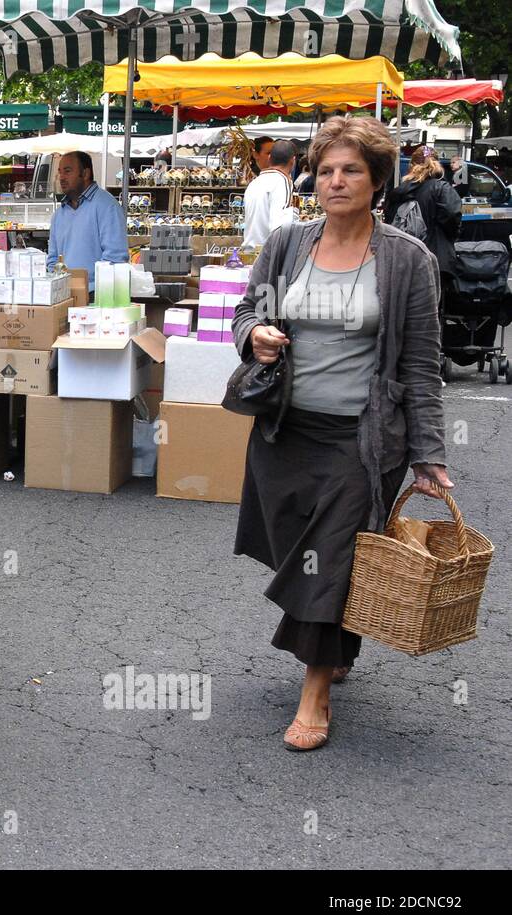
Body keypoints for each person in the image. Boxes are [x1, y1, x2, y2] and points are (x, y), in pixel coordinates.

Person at [231, 115, 451, 752]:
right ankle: (334, 631)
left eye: (351, 169)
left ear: (378, 179)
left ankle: (315, 688)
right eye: (325, 170)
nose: (335, 181)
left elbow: (421, 362)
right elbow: (247, 310)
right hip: (285, 432)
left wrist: (428, 455)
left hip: (363, 440)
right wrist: (256, 335)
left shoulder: (408, 261)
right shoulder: (287, 245)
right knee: (302, 551)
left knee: (329, 557)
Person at [46, 150, 128, 279]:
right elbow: (53, 260)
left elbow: (115, 258)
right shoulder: (59, 214)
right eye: (60, 172)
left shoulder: (106, 206)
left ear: (85, 173)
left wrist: (90, 288)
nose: (61, 177)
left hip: (96, 293)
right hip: (64, 293)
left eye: (67, 171)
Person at [384, 145, 462, 279]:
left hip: (402, 260)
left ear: (411, 165)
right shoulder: (442, 189)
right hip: (436, 259)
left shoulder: (399, 192)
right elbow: (452, 216)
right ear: (437, 164)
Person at [243, 139, 299, 248]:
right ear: (293, 160)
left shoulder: (254, 183)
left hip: (250, 252)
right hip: (268, 253)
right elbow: (280, 226)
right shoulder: (282, 181)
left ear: (270, 158)